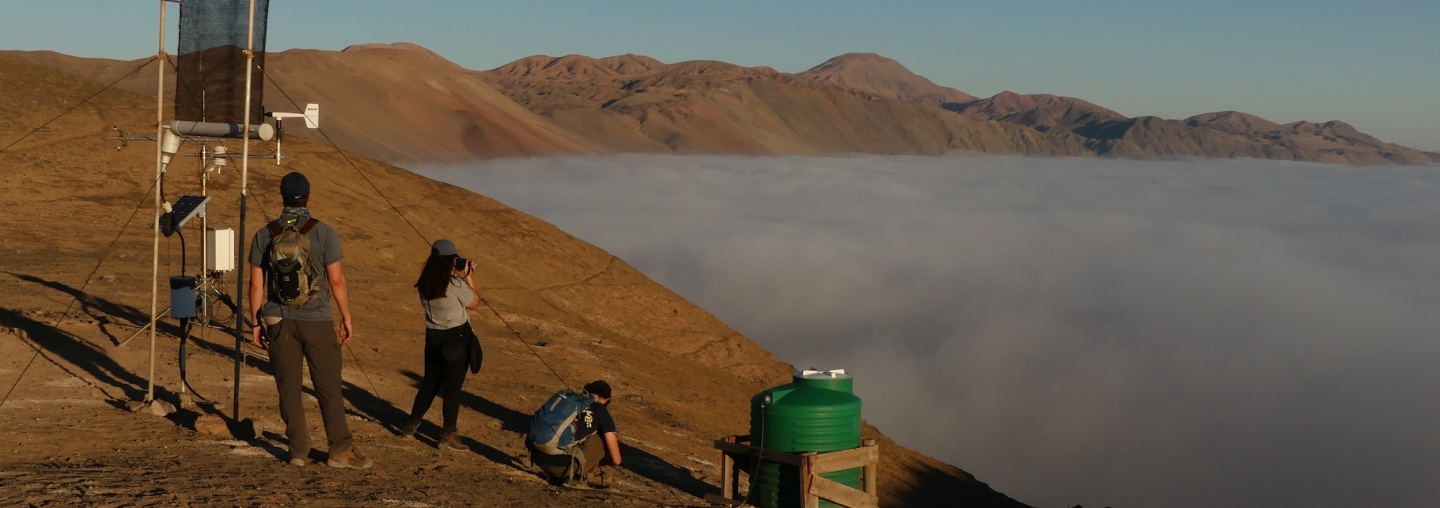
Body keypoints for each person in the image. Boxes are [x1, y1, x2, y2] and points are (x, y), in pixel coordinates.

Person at [247, 171, 372, 469]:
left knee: (288, 387)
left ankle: (298, 451)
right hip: (317, 320)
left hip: (278, 321)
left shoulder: (265, 233)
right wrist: (346, 317)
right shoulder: (324, 232)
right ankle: (340, 451)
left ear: (281, 197)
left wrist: (255, 322)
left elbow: (256, 285)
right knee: (328, 386)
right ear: (308, 196)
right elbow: (337, 281)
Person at [398, 239, 482, 451]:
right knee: (452, 389)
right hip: (456, 340)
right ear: (449, 260)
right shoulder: (456, 285)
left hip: (433, 339)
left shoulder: (425, 284)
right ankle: (448, 435)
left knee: (429, 384)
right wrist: (468, 277)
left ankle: (410, 425)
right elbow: (474, 304)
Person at [529, 380, 623, 485]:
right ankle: (577, 476)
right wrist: (601, 463)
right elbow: (616, 460)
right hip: (559, 467)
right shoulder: (601, 411)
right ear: (606, 400)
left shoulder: (570, 401)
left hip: (536, 456)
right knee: (600, 440)